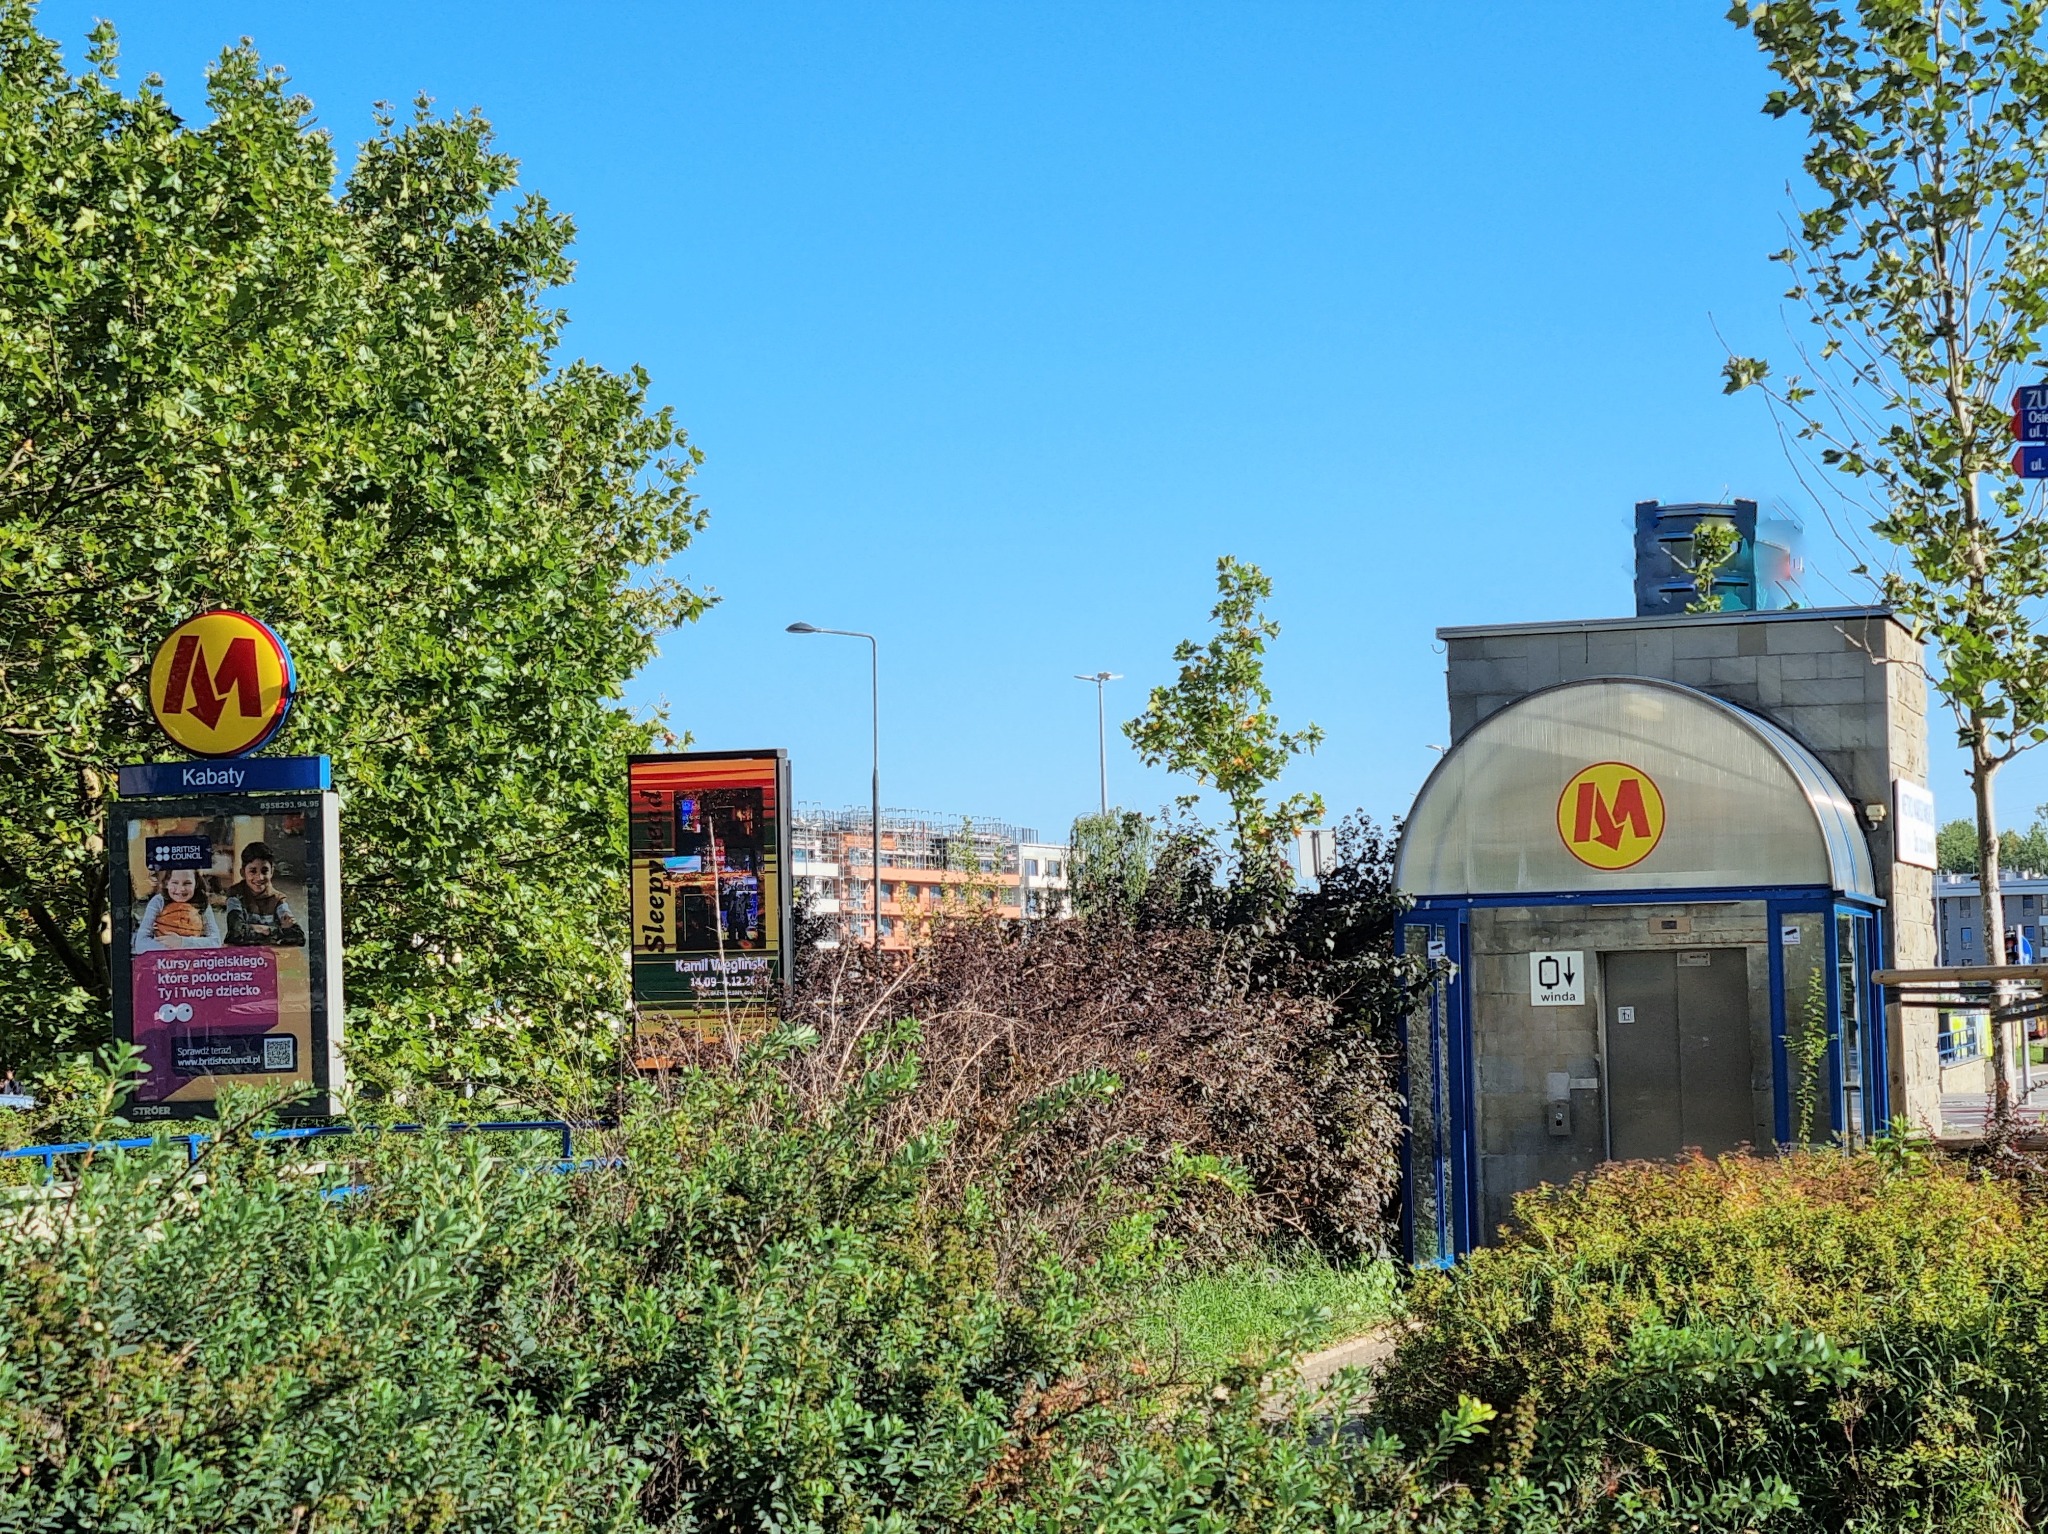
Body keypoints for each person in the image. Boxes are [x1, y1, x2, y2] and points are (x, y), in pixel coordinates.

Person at [225, 841, 303, 947]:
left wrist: (262, 929)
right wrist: (277, 931)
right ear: (243, 873)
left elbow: (298, 936)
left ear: (272, 872)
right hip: (241, 954)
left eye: (264, 871)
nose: (259, 877)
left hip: (269, 953)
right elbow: (236, 933)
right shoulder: (236, 896)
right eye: (253, 871)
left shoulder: (277, 900)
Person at [135, 866, 225, 951]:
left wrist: (182, 942)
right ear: (167, 883)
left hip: (192, 959)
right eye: (175, 882)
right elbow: (141, 944)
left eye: (187, 883)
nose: (181, 889)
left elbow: (215, 942)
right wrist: (171, 945)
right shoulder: (158, 901)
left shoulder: (202, 902)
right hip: (164, 959)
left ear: (196, 884)